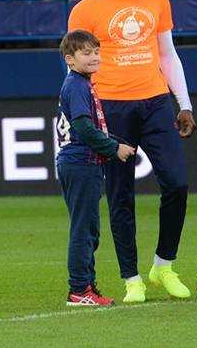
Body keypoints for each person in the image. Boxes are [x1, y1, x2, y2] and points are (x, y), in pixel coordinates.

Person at [67, 0, 196, 302]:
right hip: (110, 108)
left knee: (178, 184)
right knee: (121, 195)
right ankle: (132, 278)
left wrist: (183, 103)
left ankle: (163, 265)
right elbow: (75, 65)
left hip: (155, 102)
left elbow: (167, 54)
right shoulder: (86, 10)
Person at [55, 29, 135, 307]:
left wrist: (117, 143)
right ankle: (78, 290)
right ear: (70, 58)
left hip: (78, 163)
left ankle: (86, 286)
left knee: (88, 228)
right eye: (86, 53)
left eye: (96, 52)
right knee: (84, 229)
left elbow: (88, 128)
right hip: (80, 163)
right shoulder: (77, 85)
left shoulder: (80, 83)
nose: (94, 57)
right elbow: (83, 128)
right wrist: (114, 148)